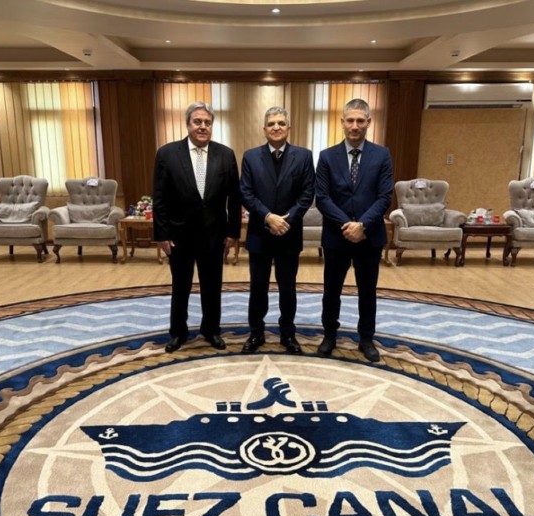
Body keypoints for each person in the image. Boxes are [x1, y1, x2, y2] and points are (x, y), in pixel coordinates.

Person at [153, 101, 242, 352]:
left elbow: (234, 198)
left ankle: (211, 330)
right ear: (188, 124)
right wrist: (162, 234)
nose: (203, 126)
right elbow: (159, 197)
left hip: (214, 235)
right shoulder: (167, 154)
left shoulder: (225, 155)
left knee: (212, 287)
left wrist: (233, 232)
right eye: (197, 122)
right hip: (179, 236)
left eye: (207, 122)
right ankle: (178, 333)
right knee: (180, 287)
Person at [315, 98, 393, 362]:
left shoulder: (382, 155)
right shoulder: (327, 156)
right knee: (331, 290)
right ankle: (329, 335)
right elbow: (322, 197)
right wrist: (347, 225)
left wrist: (362, 225)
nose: (355, 126)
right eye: (350, 120)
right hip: (336, 237)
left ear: (368, 122)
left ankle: (366, 339)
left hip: (369, 237)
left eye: (360, 120)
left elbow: (384, 196)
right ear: (342, 122)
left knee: (367, 291)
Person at [240, 106, 315, 354]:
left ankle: (287, 334)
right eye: (271, 123)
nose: (276, 127)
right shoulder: (251, 157)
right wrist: (268, 217)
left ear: (288, 128)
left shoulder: (303, 156)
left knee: (288, 288)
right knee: (258, 288)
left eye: (281, 123)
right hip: (260, 233)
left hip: (289, 234)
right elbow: (246, 193)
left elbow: (307, 193)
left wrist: (286, 220)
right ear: (264, 129)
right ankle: (256, 333)